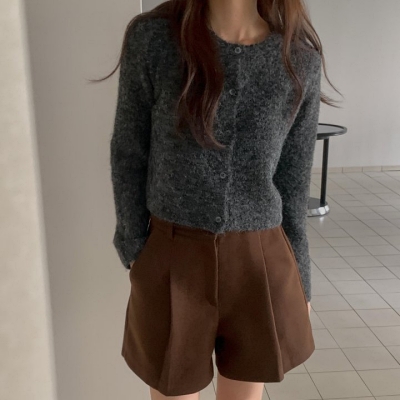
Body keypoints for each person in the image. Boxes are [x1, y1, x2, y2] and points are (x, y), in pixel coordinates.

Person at [94, 0, 339, 399]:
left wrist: (301, 280)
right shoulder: (154, 40)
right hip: (173, 256)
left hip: (260, 262)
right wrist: (135, 249)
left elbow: (293, 182)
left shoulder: (298, 61)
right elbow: (129, 152)